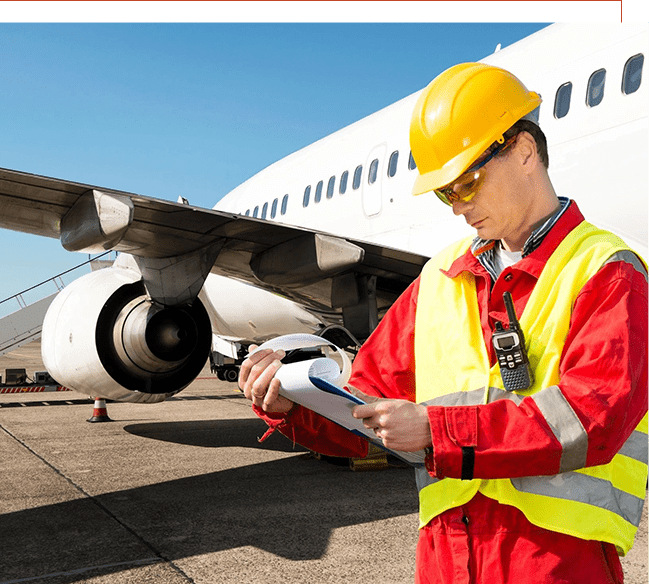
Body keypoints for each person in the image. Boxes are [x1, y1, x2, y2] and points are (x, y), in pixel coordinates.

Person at [239, 62, 649, 584]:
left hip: (555, 564)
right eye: (445, 193)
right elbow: (367, 413)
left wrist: (435, 431)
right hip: (447, 561)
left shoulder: (607, 270)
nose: (458, 207)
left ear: (525, 151)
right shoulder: (440, 279)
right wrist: (293, 405)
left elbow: (593, 418)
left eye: (468, 182)